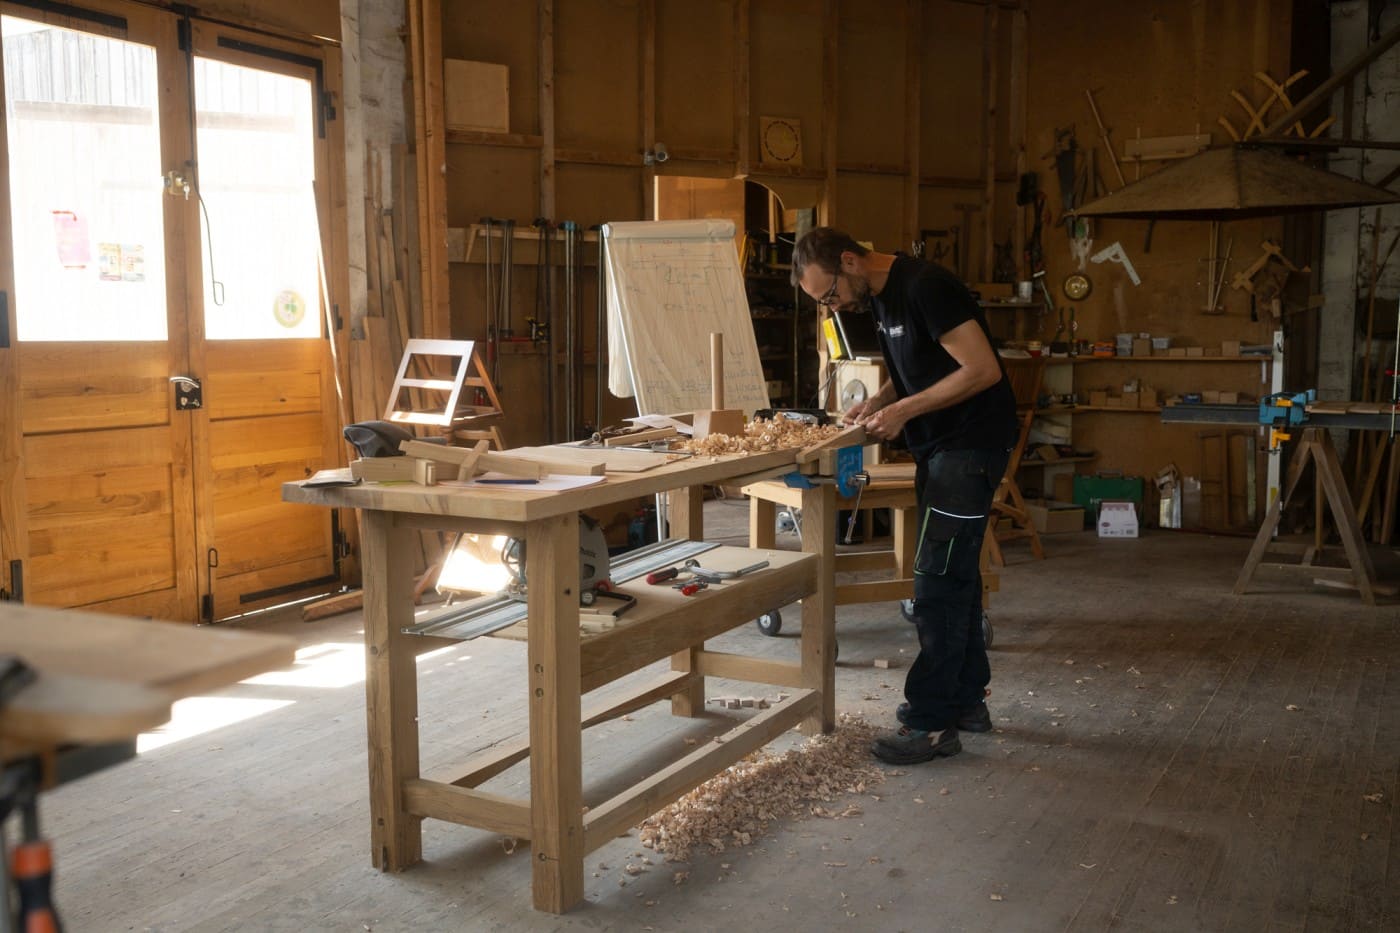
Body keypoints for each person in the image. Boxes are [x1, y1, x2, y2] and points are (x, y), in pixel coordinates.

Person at [791, 227, 1017, 765]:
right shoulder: (879, 296)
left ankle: (931, 723)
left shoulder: (926, 287)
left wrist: (902, 412)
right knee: (956, 576)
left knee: (935, 585)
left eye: (830, 294)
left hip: (970, 445)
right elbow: (916, 366)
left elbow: (982, 370)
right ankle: (966, 702)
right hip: (939, 448)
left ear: (850, 261)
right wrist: (878, 401)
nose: (833, 307)